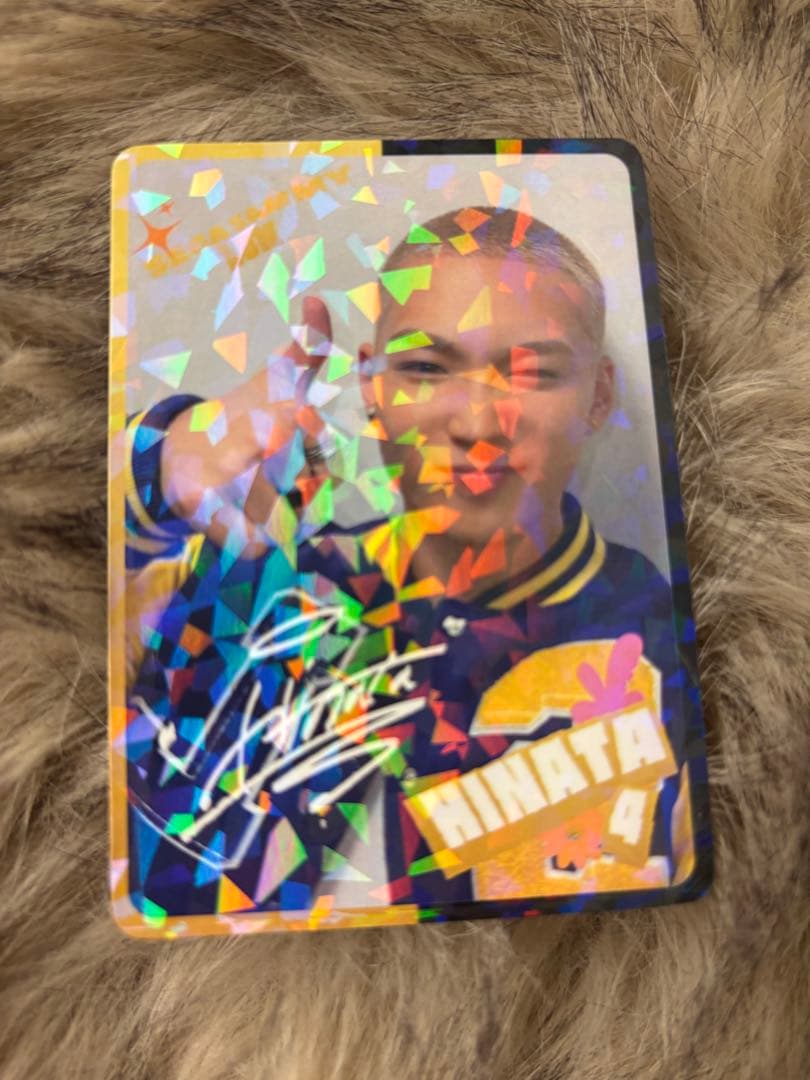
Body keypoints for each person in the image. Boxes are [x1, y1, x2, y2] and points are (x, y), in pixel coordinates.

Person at [122, 205, 696, 921]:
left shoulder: (675, 633)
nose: (477, 425)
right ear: (372, 386)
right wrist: (159, 466)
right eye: (426, 368)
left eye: (533, 373)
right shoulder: (273, 590)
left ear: (599, 396)